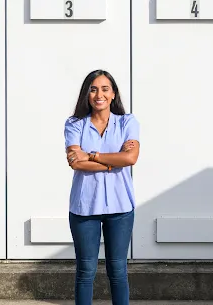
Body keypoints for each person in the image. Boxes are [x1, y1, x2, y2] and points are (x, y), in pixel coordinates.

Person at [64, 69, 140, 305]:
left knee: (117, 272)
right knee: (86, 271)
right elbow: (76, 162)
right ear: (86, 94)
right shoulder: (74, 124)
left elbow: (130, 159)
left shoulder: (128, 122)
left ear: (113, 93)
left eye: (105, 89)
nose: (99, 94)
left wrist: (93, 155)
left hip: (120, 207)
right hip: (84, 208)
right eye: (93, 89)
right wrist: (111, 163)